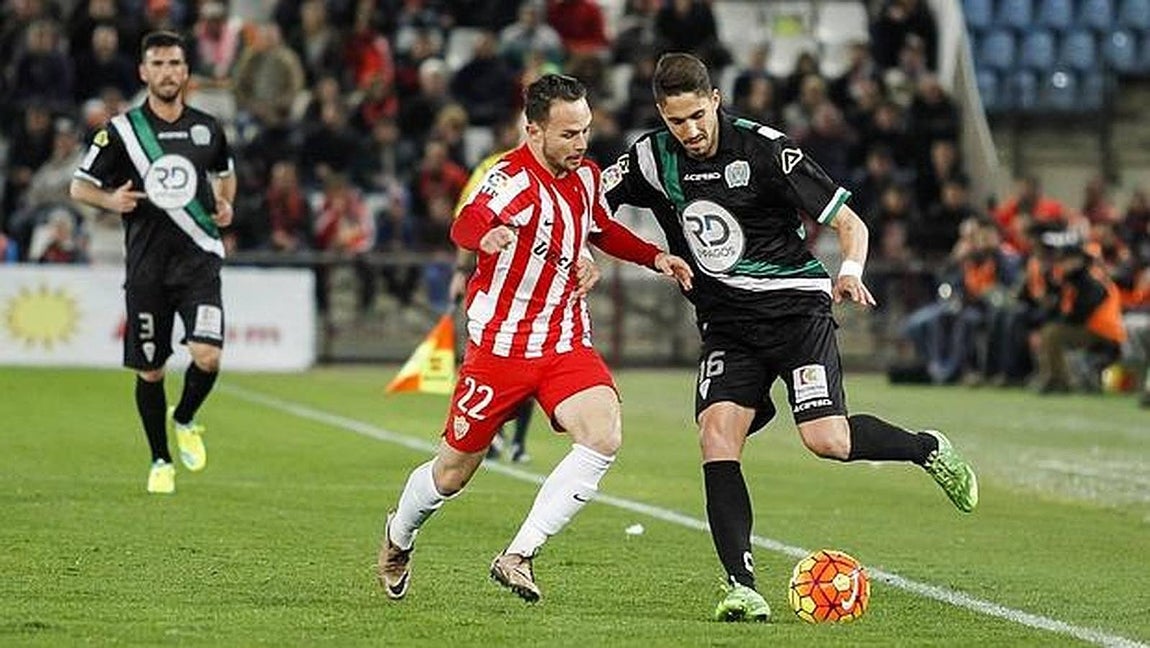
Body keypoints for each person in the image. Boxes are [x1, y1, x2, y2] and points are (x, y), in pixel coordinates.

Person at [601, 53, 979, 622]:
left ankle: (929, 448)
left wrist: (849, 272)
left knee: (828, 441)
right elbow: (585, 204)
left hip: (797, 314)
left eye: (699, 115)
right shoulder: (651, 158)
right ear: (661, 113)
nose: (692, 131)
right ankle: (740, 585)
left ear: (716, 101)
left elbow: (851, 223)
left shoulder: (766, 150)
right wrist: (618, 251)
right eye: (678, 121)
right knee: (716, 436)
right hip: (728, 324)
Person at [376, 74, 693, 603]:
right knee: (451, 475)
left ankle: (518, 554)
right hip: (500, 348)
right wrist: (486, 234)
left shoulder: (587, 175)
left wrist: (654, 256)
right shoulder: (510, 178)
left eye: (585, 131)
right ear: (533, 130)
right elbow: (466, 221)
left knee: (603, 435)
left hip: (564, 338)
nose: (581, 143)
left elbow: (602, 229)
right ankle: (398, 535)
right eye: (568, 134)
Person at [70, 30, 236, 495]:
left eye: (175, 64)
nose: (167, 72)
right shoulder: (122, 131)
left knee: (207, 354)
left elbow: (226, 175)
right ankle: (159, 458)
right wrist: (110, 199)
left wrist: (226, 206)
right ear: (144, 72)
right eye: (158, 64)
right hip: (146, 267)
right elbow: (79, 187)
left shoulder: (208, 128)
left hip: (199, 258)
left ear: (186, 72)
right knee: (152, 368)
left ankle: (185, 418)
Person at [449, 119, 534, 463]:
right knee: (491, 364)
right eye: (526, 126)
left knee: (530, 367)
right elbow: (466, 219)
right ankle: (492, 435)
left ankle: (518, 442)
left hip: (536, 290)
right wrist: (459, 270)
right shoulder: (494, 169)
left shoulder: (563, 172)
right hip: (496, 286)